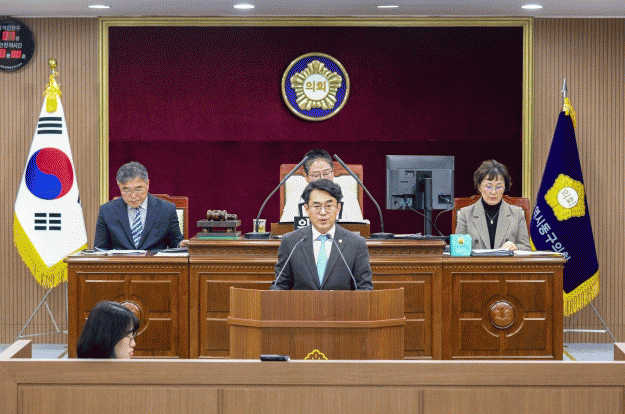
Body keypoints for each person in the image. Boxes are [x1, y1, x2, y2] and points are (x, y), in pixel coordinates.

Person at [271, 179, 373, 290]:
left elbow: (364, 288)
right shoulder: (291, 241)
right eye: (317, 206)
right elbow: (280, 285)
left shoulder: (356, 243)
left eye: (329, 206)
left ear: (338, 208)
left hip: (341, 302)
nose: (323, 212)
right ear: (306, 209)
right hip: (303, 302)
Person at [94, 162, 188, 250]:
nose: (133, 196)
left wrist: (181, 245)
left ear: (147, 184)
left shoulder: (167, 209)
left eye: (138, 189)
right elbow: (100, 249)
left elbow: (175, 242)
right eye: (126, 190)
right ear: (119, 186)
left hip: (154, 261)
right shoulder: (106, 211)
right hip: (120, 262)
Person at [455, 159, 530, 251]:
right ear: (479, 187)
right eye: (488, 186)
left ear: (505, 187)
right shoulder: (465, 214)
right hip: (477, 261)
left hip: (505, 260)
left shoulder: (517, 213)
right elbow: (458, 249)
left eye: (498, 187)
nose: (493, 192)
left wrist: (516, 247)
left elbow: (526, 248)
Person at [279, 149, 365, 223]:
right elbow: (284, 231)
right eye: (316, 174)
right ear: (306, 176)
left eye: (326, 173)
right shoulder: (294, 198)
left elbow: (358, 231)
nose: (322, 178)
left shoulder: (349, 197)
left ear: (333, 171)